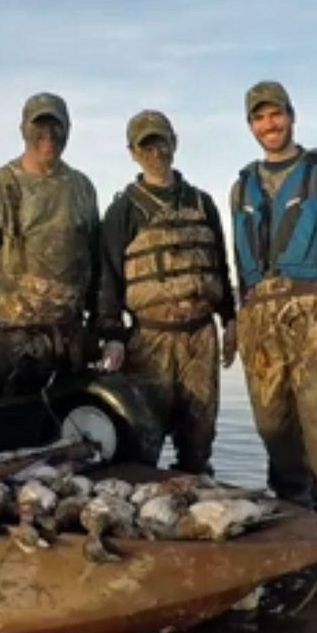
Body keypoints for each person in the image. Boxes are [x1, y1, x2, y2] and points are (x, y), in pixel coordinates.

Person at [230, 80, 317, 517]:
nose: (269, 124)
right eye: (259, 117)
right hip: (259, 321)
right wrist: (237, 319)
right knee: (272, 424)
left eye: (276, 115)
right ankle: (291, 508)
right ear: (250, 125)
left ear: (291, 116)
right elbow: (240, 262)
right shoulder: (241, 187)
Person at [96, 110, 237, 476]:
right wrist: (112, 336)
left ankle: (196, 496)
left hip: (201, 339)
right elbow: (108, 279)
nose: (155, 151)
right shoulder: (123, 210)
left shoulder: (202, 203)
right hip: (150, 339)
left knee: (200, 435)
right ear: (132, 152)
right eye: (146, 145)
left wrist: (230, 319)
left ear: (174, 142)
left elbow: (219, 264)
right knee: (144, 434)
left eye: (161, 141)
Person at [0, 92, 101, 330]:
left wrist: (102, 324)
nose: (48, 135)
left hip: (68, 340)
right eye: (39, 126)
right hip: (7, 342)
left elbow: (95, 261)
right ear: (22, 130)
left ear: (68, 129)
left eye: (56, 126)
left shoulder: (82, 189)